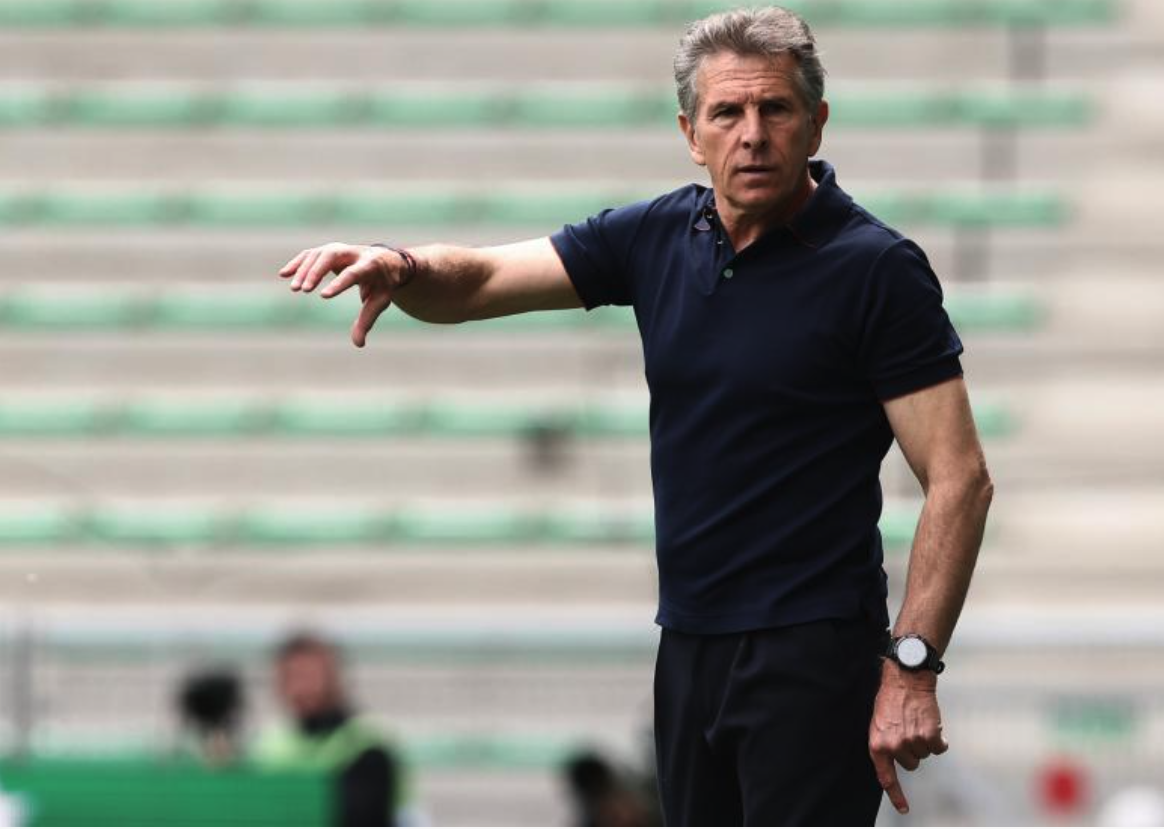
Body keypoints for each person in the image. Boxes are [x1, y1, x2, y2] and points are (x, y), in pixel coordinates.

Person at [274, 6, 993, 824]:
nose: (752, 135)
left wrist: (911, 666)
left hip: (812, 650)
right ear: (691, 133)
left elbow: (960, 478)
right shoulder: (658, 235)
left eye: (775, 109)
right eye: (727, 112)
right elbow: (480, 280)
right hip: (686, 646)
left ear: (816, 122)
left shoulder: (875, 268)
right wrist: (404, 267)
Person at [252, 632, 409, 826]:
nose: (300, 688)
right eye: (290, 677)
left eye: (309, 676)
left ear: (333, 678)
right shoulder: (268, 746)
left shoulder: (368, 743)